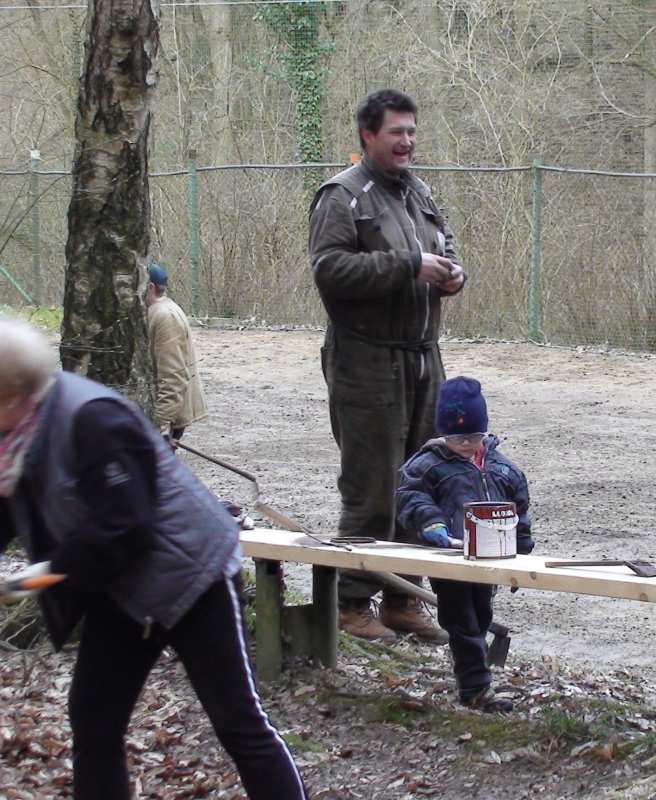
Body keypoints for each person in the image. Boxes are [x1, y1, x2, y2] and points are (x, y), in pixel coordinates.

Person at [0, 318, 308, 800]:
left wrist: (31, 580)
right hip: (119, 588)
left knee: (238, 722)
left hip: (191, 577)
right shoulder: (15, 439)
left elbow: (125, 527)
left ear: (13, 392)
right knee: (94, 719)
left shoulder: (93, 418)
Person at [307, 89, 465, 643]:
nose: (407, 141)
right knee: (372, 485)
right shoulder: (342, 196)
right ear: (368, 135)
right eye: (396, 132)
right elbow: (329, 269)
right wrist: (407, 265)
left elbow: (446, 248)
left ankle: (402, 598)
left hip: (424, 357)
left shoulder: (419, 192)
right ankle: (351, 604)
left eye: (412, 131)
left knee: (422, 481)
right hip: (365, 359)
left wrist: (453, 274)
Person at [396, 377, 533, 712]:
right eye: (458, 438)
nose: (467, 444)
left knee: (481, 615)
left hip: (489, 558)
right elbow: (410, 497)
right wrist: (430, 522)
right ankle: (475, 688)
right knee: (461, 621)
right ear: (444, 433)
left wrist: (521, 549)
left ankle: (477, 679)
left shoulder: (501, 467)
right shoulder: (427, 465)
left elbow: (519, 508)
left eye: (474, 436)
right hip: (450, 558)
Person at [145, 262, 206, 445]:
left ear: (150, 287)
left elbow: (173, 377)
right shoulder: (159, 310)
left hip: (168, 421)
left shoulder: (165, 316)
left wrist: (159, 427)